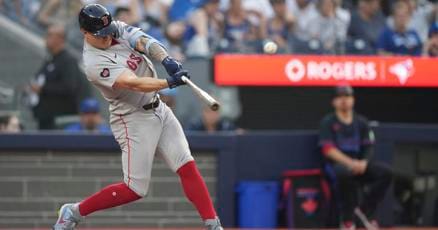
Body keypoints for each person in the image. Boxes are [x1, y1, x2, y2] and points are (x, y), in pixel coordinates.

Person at [52, 4, 223, 230]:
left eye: (107, 30)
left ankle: (213, 224)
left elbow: (145, 41)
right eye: (99, 35)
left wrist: (167, 60)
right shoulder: (93, 63)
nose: (106, 37)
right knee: (135, 189)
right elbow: (133, 83)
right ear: (85, 33)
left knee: (186, 164)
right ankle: (74, 211)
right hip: (132, 118)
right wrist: (168, 82)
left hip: (158, 108)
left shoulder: (114, 28)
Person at [319, 85, 393, 230]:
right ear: (334, 102)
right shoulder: (328, 122)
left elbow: (368, 146)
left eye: (347, 97)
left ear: (353, 100)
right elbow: (328, 150)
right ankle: (348, 220)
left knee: (386, 172)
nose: (344, 100)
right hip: (337, 166)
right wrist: (351, 163)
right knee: (343, 173)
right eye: (340, 97)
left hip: (359, 165)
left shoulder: (362, 122)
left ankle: (364, 211)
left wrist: (363, 162)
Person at [30, 24, 91, 130]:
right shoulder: (50, 59)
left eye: (49, 35)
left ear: (59, 38)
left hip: (59, 121)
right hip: (45, 118)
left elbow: (69, 87)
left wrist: (43, 89)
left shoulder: (67, 61)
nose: (45, 38)